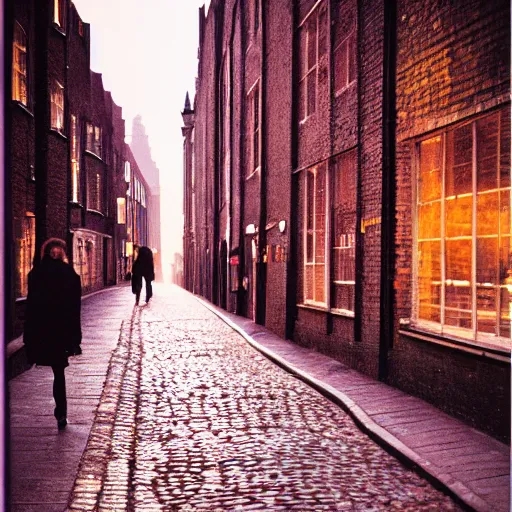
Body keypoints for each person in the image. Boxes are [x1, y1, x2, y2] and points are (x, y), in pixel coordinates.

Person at [23, 238, 82, 430]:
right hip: (61, 332)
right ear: (63, 253)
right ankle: (61, 413)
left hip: (43, 331)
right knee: (59, 372)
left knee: (53, 370)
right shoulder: (70, 275)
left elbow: (30, 307)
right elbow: (75, 309)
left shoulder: (35, 274)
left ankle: (61, 412)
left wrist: (29, 334)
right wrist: (75, 336)